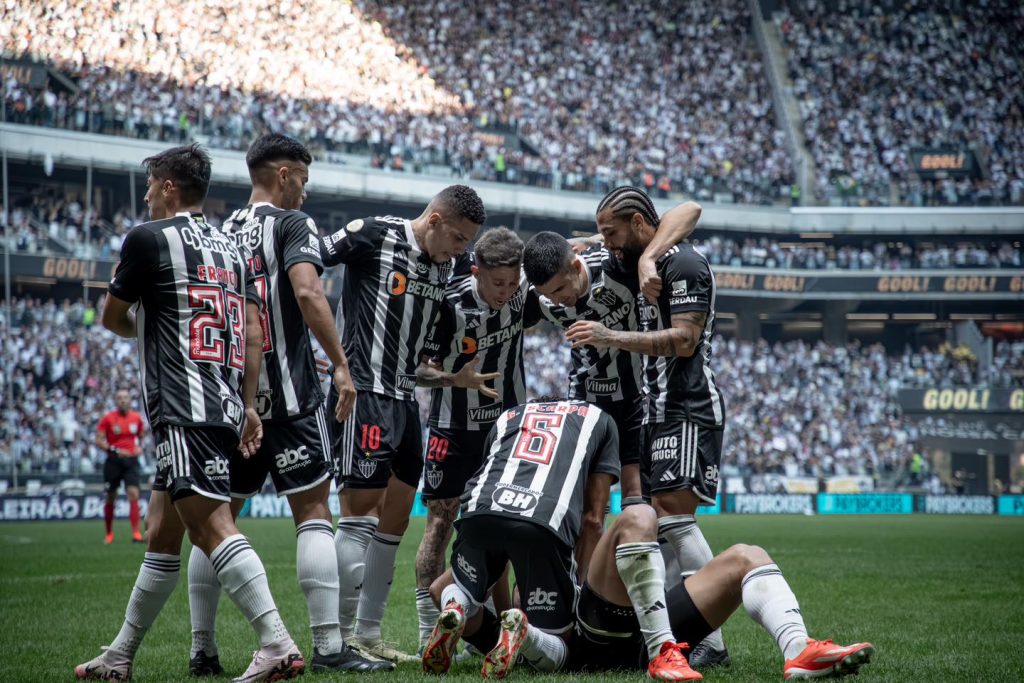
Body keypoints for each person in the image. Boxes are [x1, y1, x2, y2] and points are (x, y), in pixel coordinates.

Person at [74, 144, 303, 682]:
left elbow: (112, 317)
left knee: (211, 524)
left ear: (170, 186)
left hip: (183, 404)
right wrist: (248, 404)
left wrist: (147, 325)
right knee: (162, 530)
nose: (149, 194)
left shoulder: (147, 239)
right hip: (222, 401)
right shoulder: (230, 247)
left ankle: (276, 643)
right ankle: (120, 656)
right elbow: (251, 333)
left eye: (153, 185)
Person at [184, 134, 388, 675]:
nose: (305, 188)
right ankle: (327, 647)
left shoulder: (219, 232)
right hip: (293, 398)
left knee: (216, 520)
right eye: (302, 176)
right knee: (314, 515)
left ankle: (202, 650)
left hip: (235, 406)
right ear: (282, 173)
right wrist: (341, 364)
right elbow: (307, 291)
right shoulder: (293, 225)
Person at [319, 185, 490, 662]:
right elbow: (304, 270)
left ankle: (367, 634)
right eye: (457, 238)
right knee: (359, 515)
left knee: (394, 519)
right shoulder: (372, 235)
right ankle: (332, 640)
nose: (460, 251)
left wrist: (452, 378)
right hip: (363, 392)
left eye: (466, 243)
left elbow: (423, 363)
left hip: (405, 400)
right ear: (434, 219)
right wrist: (332, 358)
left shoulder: (446, 267)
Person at [564, 186, 730, 667]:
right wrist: (589, 243)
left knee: (676, 521)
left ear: (639, 223)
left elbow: (684, 340)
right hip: (657, 409)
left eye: (612, 233)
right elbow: (622, 239)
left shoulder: (683, 264)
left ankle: (711, 644)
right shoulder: (633, 259)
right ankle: (689, 632)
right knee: (664, 522)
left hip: (687, 405)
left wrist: (608, 335)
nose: (607, 243)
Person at [421, 398, 696, 680]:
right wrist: (576, 590)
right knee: (562, 645)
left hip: (478, 512)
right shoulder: (601, 419)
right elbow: (592, 521)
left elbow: (497, 554)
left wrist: (502, 609)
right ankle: (524, 633)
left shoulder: (511, 414)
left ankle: (455, 607)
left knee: (445, 588)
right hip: (541, 522)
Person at [411, 227, 543, 652]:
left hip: (507, 430)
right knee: (439, 525)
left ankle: (481, 628)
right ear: (476, 271)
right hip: (454, 430)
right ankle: (427, 630)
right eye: (497, 282)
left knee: (501, 523)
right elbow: (416, 369)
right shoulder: (448, 304)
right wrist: (454, 377)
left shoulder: (525, 295)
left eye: (513, 281)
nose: (507, 291)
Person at [521, 201, 701, 503]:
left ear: (576, 266)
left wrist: (647, 259)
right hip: (586, 398)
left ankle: (635, 550)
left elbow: (690, 210)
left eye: (560, 289)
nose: (556, 300)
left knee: (636, 496)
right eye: (547, 294)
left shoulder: (616, 265)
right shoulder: (538, 298)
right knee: (590, 503)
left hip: (635, 396)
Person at [571, 502, 874, 680]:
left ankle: (798, 647)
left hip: (655, 623)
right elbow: (592, 519)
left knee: (748, 555)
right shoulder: (595, 426)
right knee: (639, 515)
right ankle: (661, 652)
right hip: (603, 629)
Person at [96, 388, 146, 544]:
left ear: (130, 400)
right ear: (116, 401)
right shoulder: (107, 419)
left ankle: (136, 533)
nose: (123, 400)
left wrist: (138, 447)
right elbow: (99, 441)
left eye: (125, 397)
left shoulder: (136, 418)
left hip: (131, 461)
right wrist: (116, 450)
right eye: (120, 398)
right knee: (111, 496)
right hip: (113, 461)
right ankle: (109, 533)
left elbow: (140, 437)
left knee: (133, 493)